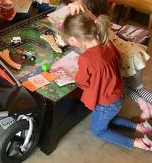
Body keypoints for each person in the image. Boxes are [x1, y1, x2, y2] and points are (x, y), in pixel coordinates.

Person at [61, 13, 152, 151]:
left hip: (106, 102)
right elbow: (113, 61)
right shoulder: (107, 43)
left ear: (74, 40)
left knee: (98, 130)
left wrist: (75, 72)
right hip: (118, 94)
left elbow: (82, 83)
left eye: (69, 41)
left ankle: (139, 143)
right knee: (107, 117)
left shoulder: (86, 59)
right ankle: (141, 127)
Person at [68, 0, 152, 120]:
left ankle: (147, 105)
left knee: (136, 88)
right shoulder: (101, 23)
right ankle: (146, 108)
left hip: (129, 60)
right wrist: (79, 2)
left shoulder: (95, 28)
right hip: (134, 55)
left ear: (88, 12)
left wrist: (79, 4)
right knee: (128, 87)